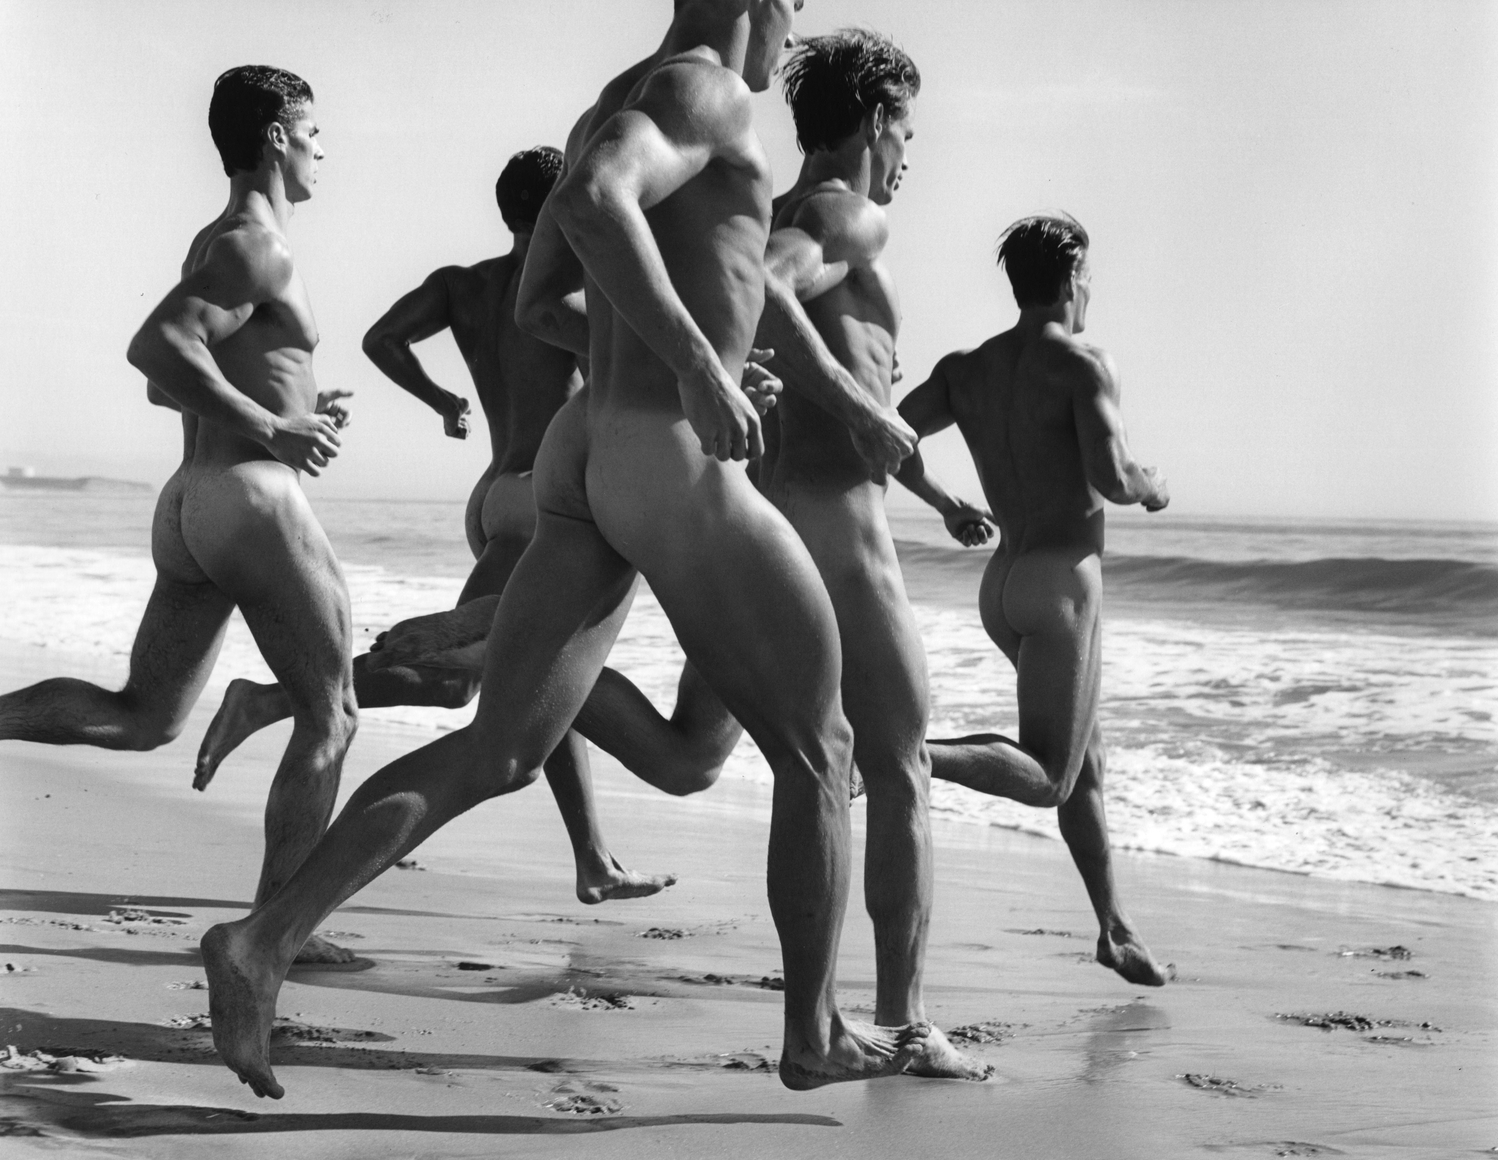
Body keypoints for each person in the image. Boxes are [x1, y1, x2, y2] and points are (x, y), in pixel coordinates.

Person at [200, 0, 931, 1100]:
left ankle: (262, 940)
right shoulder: (706, 90)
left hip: (583, 449)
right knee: (820, 749)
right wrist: (695, 366)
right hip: (664, 453)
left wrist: (703, 350)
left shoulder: (617, 96)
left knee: (500, 750)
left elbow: (546, 302)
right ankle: (815, 1029)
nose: (790, 34)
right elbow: (594, 204)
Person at [192, 147, 675, 905]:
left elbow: (383, 338)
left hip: (494, 495)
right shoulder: (576, 288)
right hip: (548, 501)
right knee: (458, 677)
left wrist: (441, 399)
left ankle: (593, 857)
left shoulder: (466, 286)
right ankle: (271, 699)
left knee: (550, 664)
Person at [0, 66, 359, 964]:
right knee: (331, 716)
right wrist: (277, 426)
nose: (324, 148)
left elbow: (177, 382)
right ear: (276, 136)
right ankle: (273, 932)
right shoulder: (254, 244)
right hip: (249, 499)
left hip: (192, 501)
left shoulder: (217, 240)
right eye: (314, 130)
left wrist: (283, 404)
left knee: (145, 717)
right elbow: (154, 346)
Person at [742, 29, 988, 1079]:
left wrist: (933, 490)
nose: (908, 153)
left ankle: (821, 1019)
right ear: (876, 117)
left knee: (807, 766)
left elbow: (843, 387)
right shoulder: (848, 213)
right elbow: (765, 289)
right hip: (838, 530)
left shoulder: (782, 207)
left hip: (773, 519)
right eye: (906, 128)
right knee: (898, 766)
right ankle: (902, 1017)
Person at [895, 213, 1171, 986]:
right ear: (1074, 277)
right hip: (1062, 584)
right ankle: (907, 755)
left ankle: (1115, 930)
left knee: (1085, 758)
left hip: (1004, 584)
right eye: (1089, 280)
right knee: (1051, 773)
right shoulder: (1083, 363)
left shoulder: (965, 369)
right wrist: (1153, 485)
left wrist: (948, 502)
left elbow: (884, 431)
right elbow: (1114, 478)